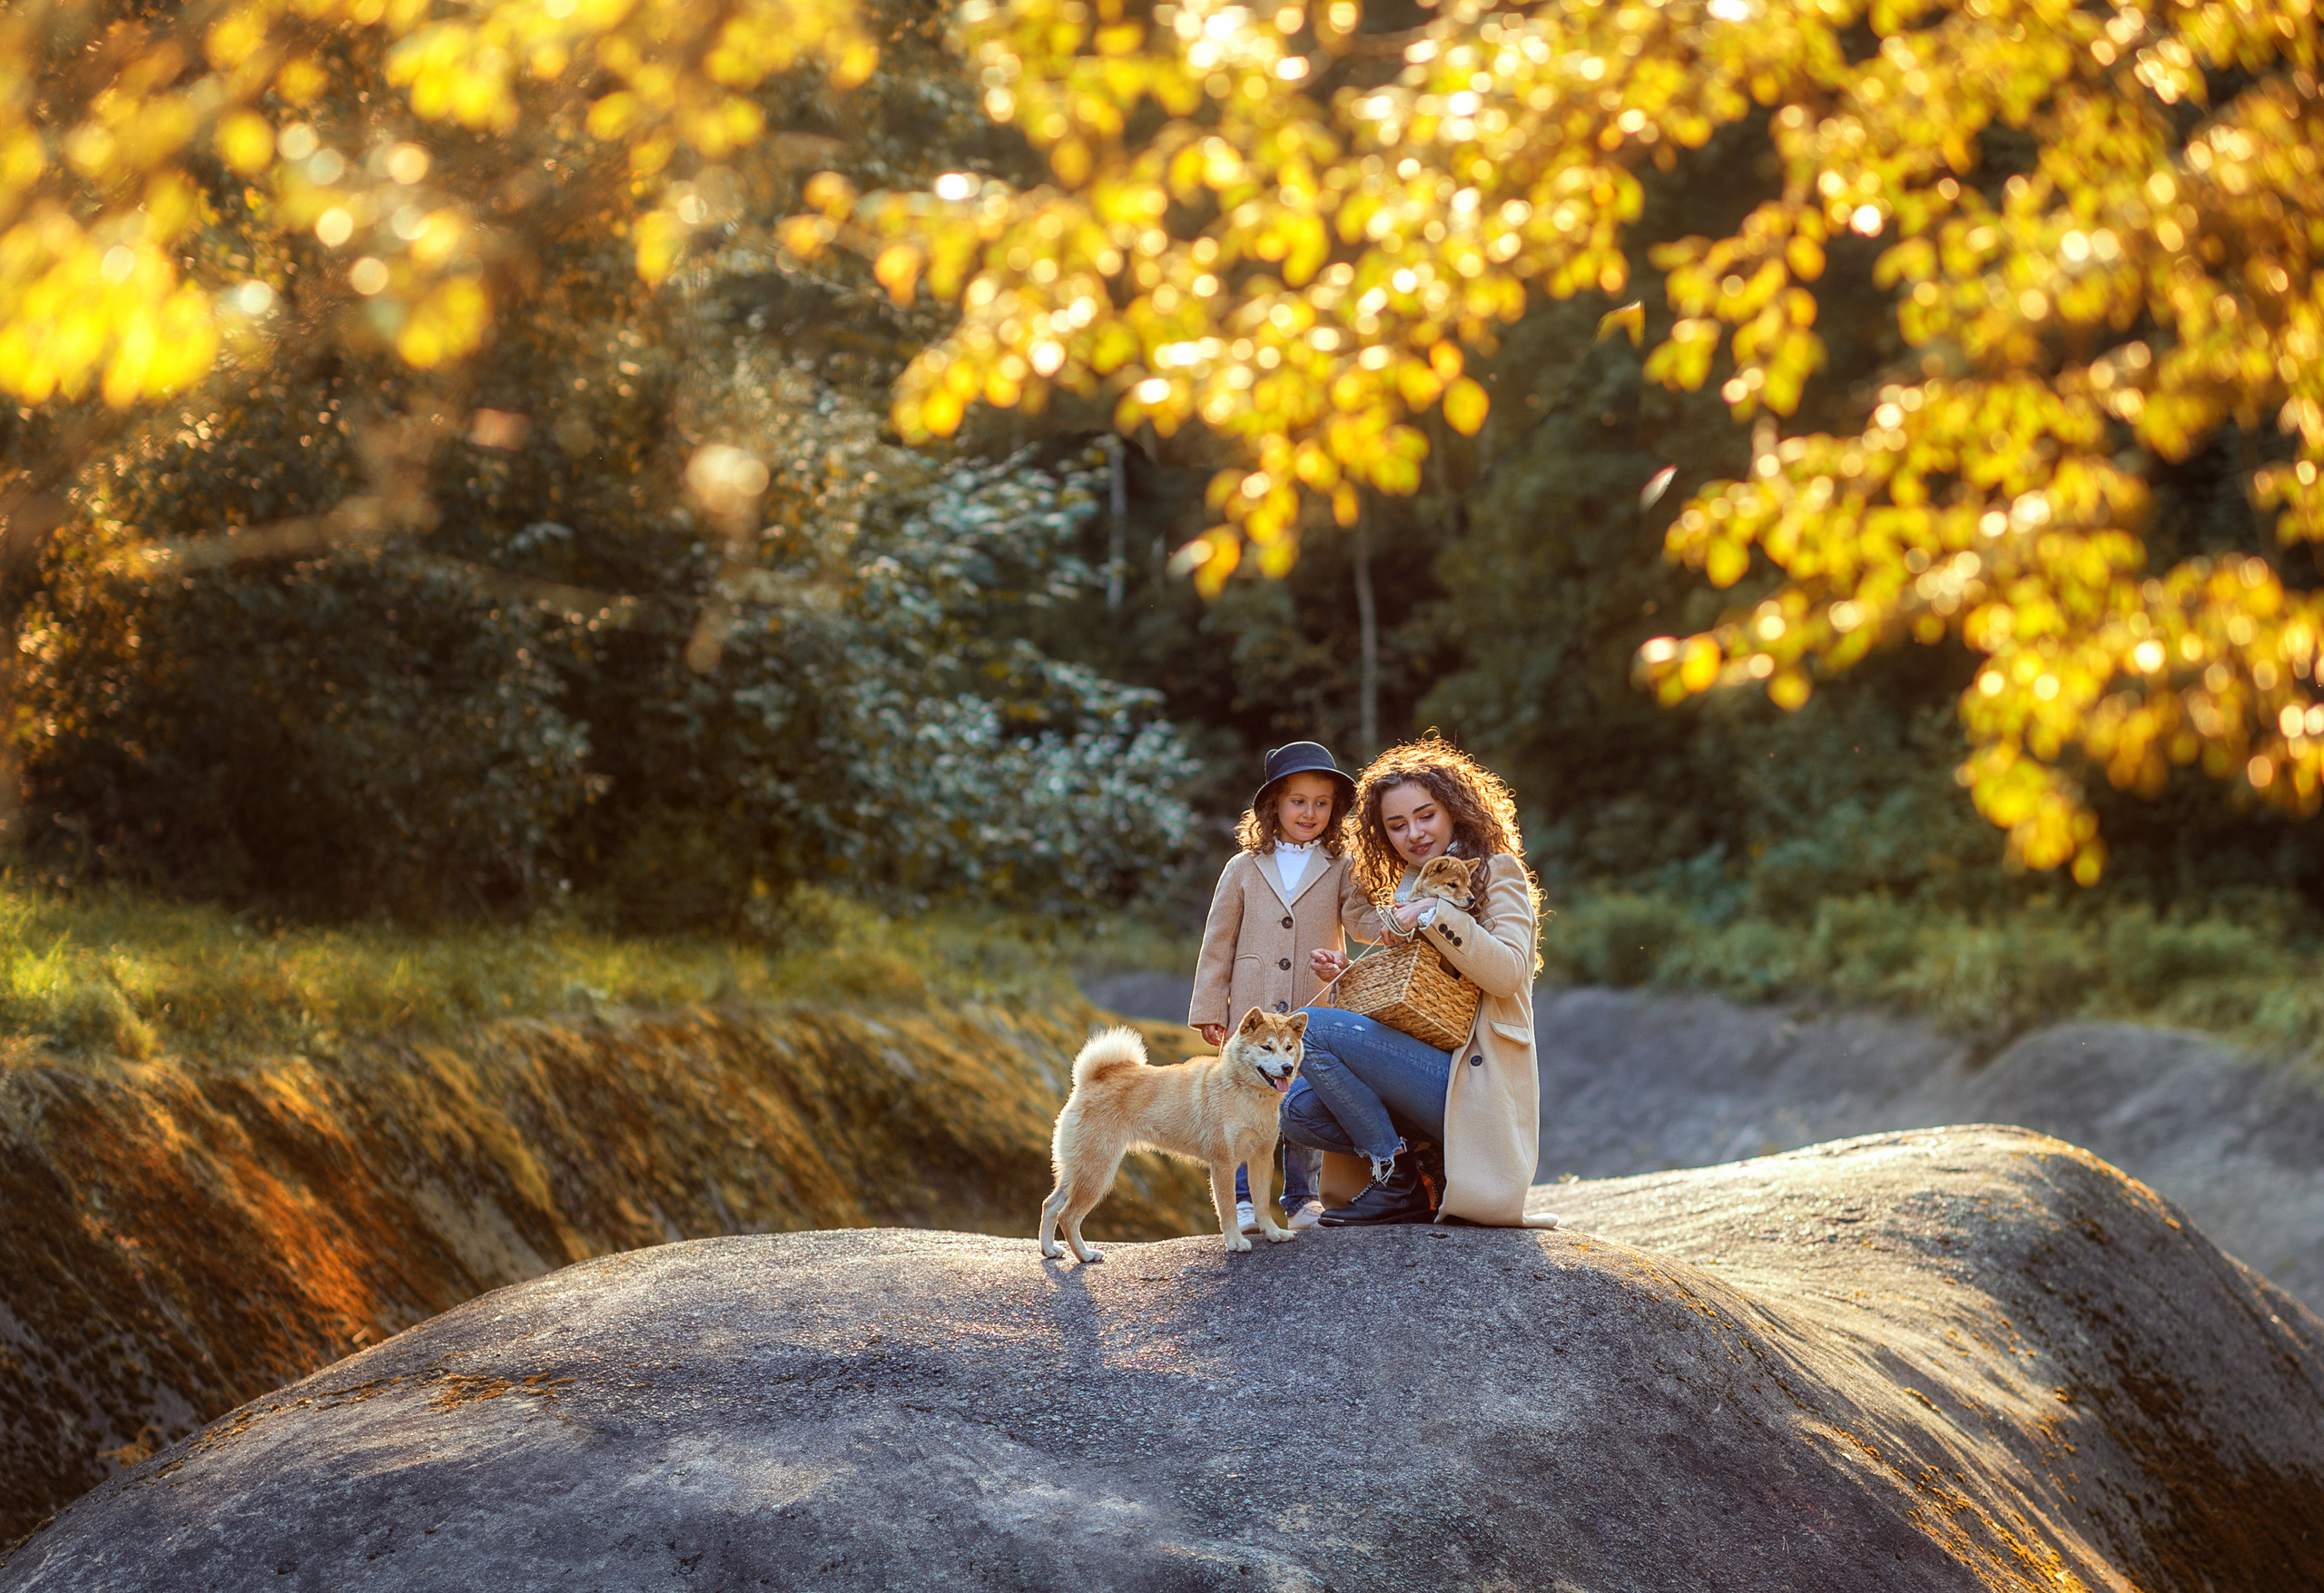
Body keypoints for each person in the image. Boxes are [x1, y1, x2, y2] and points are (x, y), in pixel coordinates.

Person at [1281, 738, 1555, 1228]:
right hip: (1416, 1070)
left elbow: (1510, 973)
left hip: (1468, 1083)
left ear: (1453, 807)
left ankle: (1394, 1176)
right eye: (1397, 824)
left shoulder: (1497, 871)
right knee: (1292, 1110)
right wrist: (1348, 975)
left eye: (1425, 815)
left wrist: (1435, 911)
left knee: (1311, 1028)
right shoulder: (1408, 884)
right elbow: (1412, 990)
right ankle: (1419, 1172)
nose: (1414, 833)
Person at [1188, 742, 1381, 1233]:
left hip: (1310, 1002)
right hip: (1250, 1012)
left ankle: (1300, 1199)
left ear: (1335, 809)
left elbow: (1360, 920)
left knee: (1299, 1097)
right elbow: (1218, 940)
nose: (1310, 813)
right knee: (1238, 1101)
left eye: (1322, 803)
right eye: (1298, 801)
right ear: (1273, 805)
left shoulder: (1342, 865)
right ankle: (1245, 1205)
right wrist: (1211, 1006)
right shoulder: (1243, 867)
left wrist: (1390, 924)